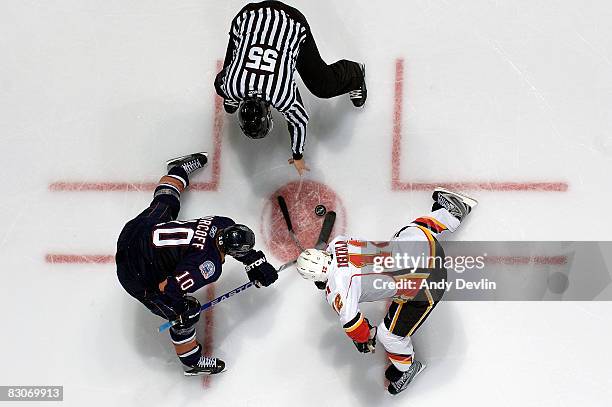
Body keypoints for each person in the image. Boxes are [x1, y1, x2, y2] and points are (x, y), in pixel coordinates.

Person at [295, 188, 478, 394]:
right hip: (429, 247)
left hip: (430, 283)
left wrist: (366, 338)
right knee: (402, 236)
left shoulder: (337, 290)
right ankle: (451, 213)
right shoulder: (338, 243)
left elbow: (353, 325)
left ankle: (408, 368)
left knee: (387, 336)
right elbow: (340, 255)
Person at [115, 152, 279, 375]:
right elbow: (169, 289)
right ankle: (191, 361)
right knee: (186, 314)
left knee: (166, 202)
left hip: (135, 232)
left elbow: (227, 246)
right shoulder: (208, 266)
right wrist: (178, 309)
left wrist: (254, 261)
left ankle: (178, 170)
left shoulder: (223, 223)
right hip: (133, 272)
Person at [214, 1, 367, 176]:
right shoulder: (230, 85)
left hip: (291, 24)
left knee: (323, 86)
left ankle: (355, 74)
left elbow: (300, 121)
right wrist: (297, 155)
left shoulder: (281, 94)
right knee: (230, 87)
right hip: (250, 15)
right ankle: (232, 99)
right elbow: (221, 80)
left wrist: (298, 155)